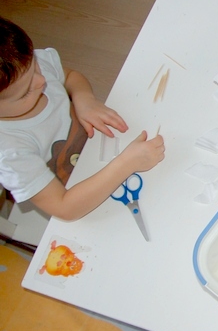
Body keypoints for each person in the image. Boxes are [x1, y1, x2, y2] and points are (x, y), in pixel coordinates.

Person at [0, 16, 165, 221]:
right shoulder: (10, 154)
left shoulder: (22, 66)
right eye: (25, 92)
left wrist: (83, 98)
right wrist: (128, 163)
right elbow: (65, 208)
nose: (41, 81)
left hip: (99, 147)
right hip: (80, 192)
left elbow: (70, 76)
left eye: (36, 66)